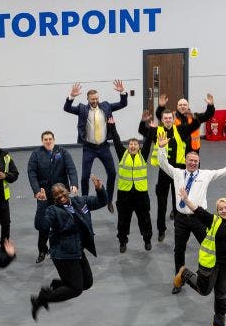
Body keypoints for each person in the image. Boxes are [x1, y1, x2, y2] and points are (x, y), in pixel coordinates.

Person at [157, 132, 226, 294]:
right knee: (179, 250)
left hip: (200, 219)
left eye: (195, 161)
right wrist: (162, 148)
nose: (192, 163)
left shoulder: (205, 175)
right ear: (185, 161)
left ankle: (213, 273)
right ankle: (179, 279)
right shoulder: (177, 173)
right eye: (190, 160)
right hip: (181, 219)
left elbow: (223, 171)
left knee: (209, 245)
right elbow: (163, 164)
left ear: (199, 163)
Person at [30, 177, 108, 320]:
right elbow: (40, 226)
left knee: (87, 283)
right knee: (76, 289)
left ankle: (56, 285)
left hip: (77, 249)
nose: (60, 196)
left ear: (67, 191)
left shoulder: (80, 201)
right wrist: (41, 204)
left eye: (62, 193)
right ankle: (40, 300)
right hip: (63, 254)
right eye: (56, 195)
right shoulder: (53, 211)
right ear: (53, 198)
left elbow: (102, 201)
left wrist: (99, 189)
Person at [172, 195, 226, 326]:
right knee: (204, 290)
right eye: (221, 209)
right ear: (218, 212)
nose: (224, 211)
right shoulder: (214, 221)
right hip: (211, 264)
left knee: (221, 296)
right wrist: (186, 200)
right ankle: (184, 273)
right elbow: (198, 211)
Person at [63, 79, 128, 212]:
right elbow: (67, 108)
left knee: (112, 173)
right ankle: (84, 202)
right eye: (92, 99)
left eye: (96, 98)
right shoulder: (82, 109)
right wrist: (72, 97)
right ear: (88, 99)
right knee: (84, 177)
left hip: (104, 147)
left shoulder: (106, 106)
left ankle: (109, 200)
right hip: (89, 148)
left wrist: (122, 92)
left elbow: (123, 103)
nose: (95, 101)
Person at [139, 102, 197, 242]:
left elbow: (193, 127)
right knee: (162, 202)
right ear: (162, 120)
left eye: (170, 118)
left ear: (173, 118)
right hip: (164, 172)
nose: (167, 120)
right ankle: (161, 230)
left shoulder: (180, 130)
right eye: (165, 118)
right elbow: (142, 131)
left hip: (178, 172)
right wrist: (143, 121)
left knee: (178, 201)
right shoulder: (156, 131)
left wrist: (193, 117)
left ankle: (179, 228)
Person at [27, 130, 79, 264]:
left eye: (50, 139)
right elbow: (31, 173)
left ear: (54, 140)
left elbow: (71, 169)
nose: (48, 141)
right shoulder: (36, 154)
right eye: (45, 139)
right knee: (44, 224)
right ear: (42, 141)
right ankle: (42, 250)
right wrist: (37, 190)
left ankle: (61, 248)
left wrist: (73, 184)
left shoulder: (62, 152)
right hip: (44, 195)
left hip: (61, 195)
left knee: (64, 222)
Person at [109, 123, 153, 252]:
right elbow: (116, 141)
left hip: (141, 194)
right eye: (131, 144)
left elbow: (149, 141)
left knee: (145, 219)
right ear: (128, 147)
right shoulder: (122, 154)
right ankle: (123, 241)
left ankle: (147, 239)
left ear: (139, 147)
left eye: (135, 144)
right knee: (123, 220)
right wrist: (112, 127)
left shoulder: (143, 155)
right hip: (124, 194)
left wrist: (152, 129)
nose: (133, 146)